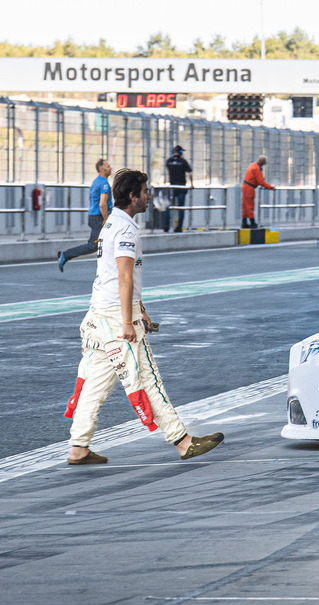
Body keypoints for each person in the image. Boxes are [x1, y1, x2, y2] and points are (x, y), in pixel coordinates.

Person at [63, 169, 224, 464]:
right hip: (116, 317)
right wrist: (129, 321)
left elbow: (117, 277)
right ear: (133, 196)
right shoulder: (126, 230)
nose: (149, 195)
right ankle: (183, 441)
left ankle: (78, 446)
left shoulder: (111, 223)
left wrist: (141, 308)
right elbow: (124, 277)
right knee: (147, 378)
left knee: (96, 382)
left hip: (100, 313)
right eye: (145, 191)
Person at [58, 159, 112, 271]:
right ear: (101, 169)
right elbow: (102, 204)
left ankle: (111, 270)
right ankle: (65, 255)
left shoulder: (96, 181)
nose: (110, 168)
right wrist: (107, 220)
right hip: (99, 217)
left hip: (94, 216)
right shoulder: (104, 183)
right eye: (108, 166)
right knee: (94, 245)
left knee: (109, 242)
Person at [163, 145, 193, 233]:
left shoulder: (169, 161)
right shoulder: (183, 161)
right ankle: (179, 227)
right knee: (181, 208)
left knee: (169, 206)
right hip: (181, 186)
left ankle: (166, 225)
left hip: (172, 187)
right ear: (180, 153)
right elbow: (190, 173)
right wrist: (192, 184)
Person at [241, 155, 275, 228]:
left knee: (245, 205)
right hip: (249, 188)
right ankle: (252, 223)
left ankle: (244, 222)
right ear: (263, 162)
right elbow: (261, 182)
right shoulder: (257, 169)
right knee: (250, 205)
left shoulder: (252, 165)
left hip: (245, 186)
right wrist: (270, 187)